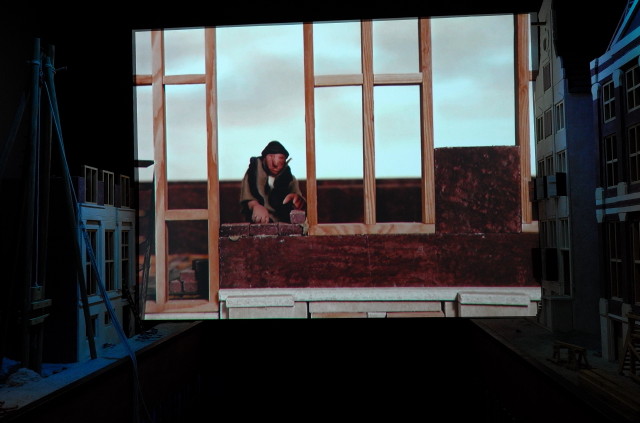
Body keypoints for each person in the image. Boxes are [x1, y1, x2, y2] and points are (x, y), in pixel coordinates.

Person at [240, 140, 306, 223]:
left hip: (282, 221)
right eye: (271, 157)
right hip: (259, 219)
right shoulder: (253, 173)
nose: (275, 164)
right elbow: (248, 197)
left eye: (280, 158)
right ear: (264, 158)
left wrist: (297, 201)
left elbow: (297, 198)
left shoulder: (290, 179)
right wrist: (255, 205)